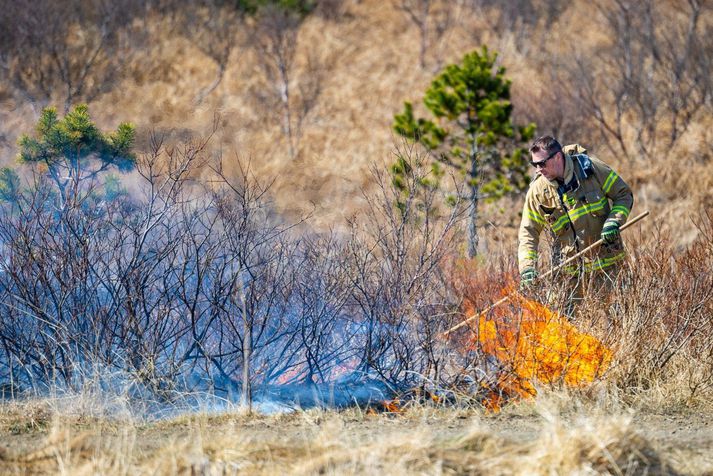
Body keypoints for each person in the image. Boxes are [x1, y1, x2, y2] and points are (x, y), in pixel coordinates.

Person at [517, 136, 634, 314]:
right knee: (569, 331)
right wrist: (527, 268)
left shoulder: (592, 169)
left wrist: (614, 221)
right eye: (535, 165)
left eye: (542, 164)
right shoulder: (537, 191)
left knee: (618, 321)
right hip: (569, 276)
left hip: (608, 268)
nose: (539, 170)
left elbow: (623, 195)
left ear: (557, 157)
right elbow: (528, 233)